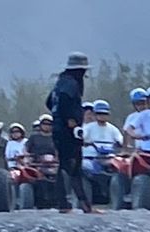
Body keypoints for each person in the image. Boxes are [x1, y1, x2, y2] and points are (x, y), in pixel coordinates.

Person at [45, 51, 97, 213]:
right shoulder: (71, 84)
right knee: (73, 168)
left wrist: (58, 117)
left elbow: (49, 102)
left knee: (66, 166)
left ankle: (68, 204)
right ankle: (79, 204)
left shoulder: (60, 83)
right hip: (68, 131)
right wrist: (71, 123)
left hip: (58, 129)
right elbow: (65, 103)